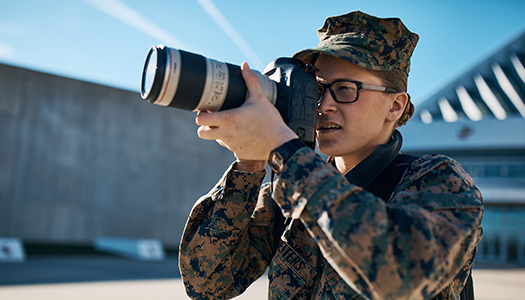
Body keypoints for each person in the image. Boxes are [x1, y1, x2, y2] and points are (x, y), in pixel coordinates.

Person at [179, 11, 483, 300]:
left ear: (395, 106)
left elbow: (400, 277)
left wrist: (284, 150)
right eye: (317, 89)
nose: (323, 105)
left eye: (345, 88)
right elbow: (207, 284)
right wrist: (249, 165)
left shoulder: (437, 180)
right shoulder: (285, 193)